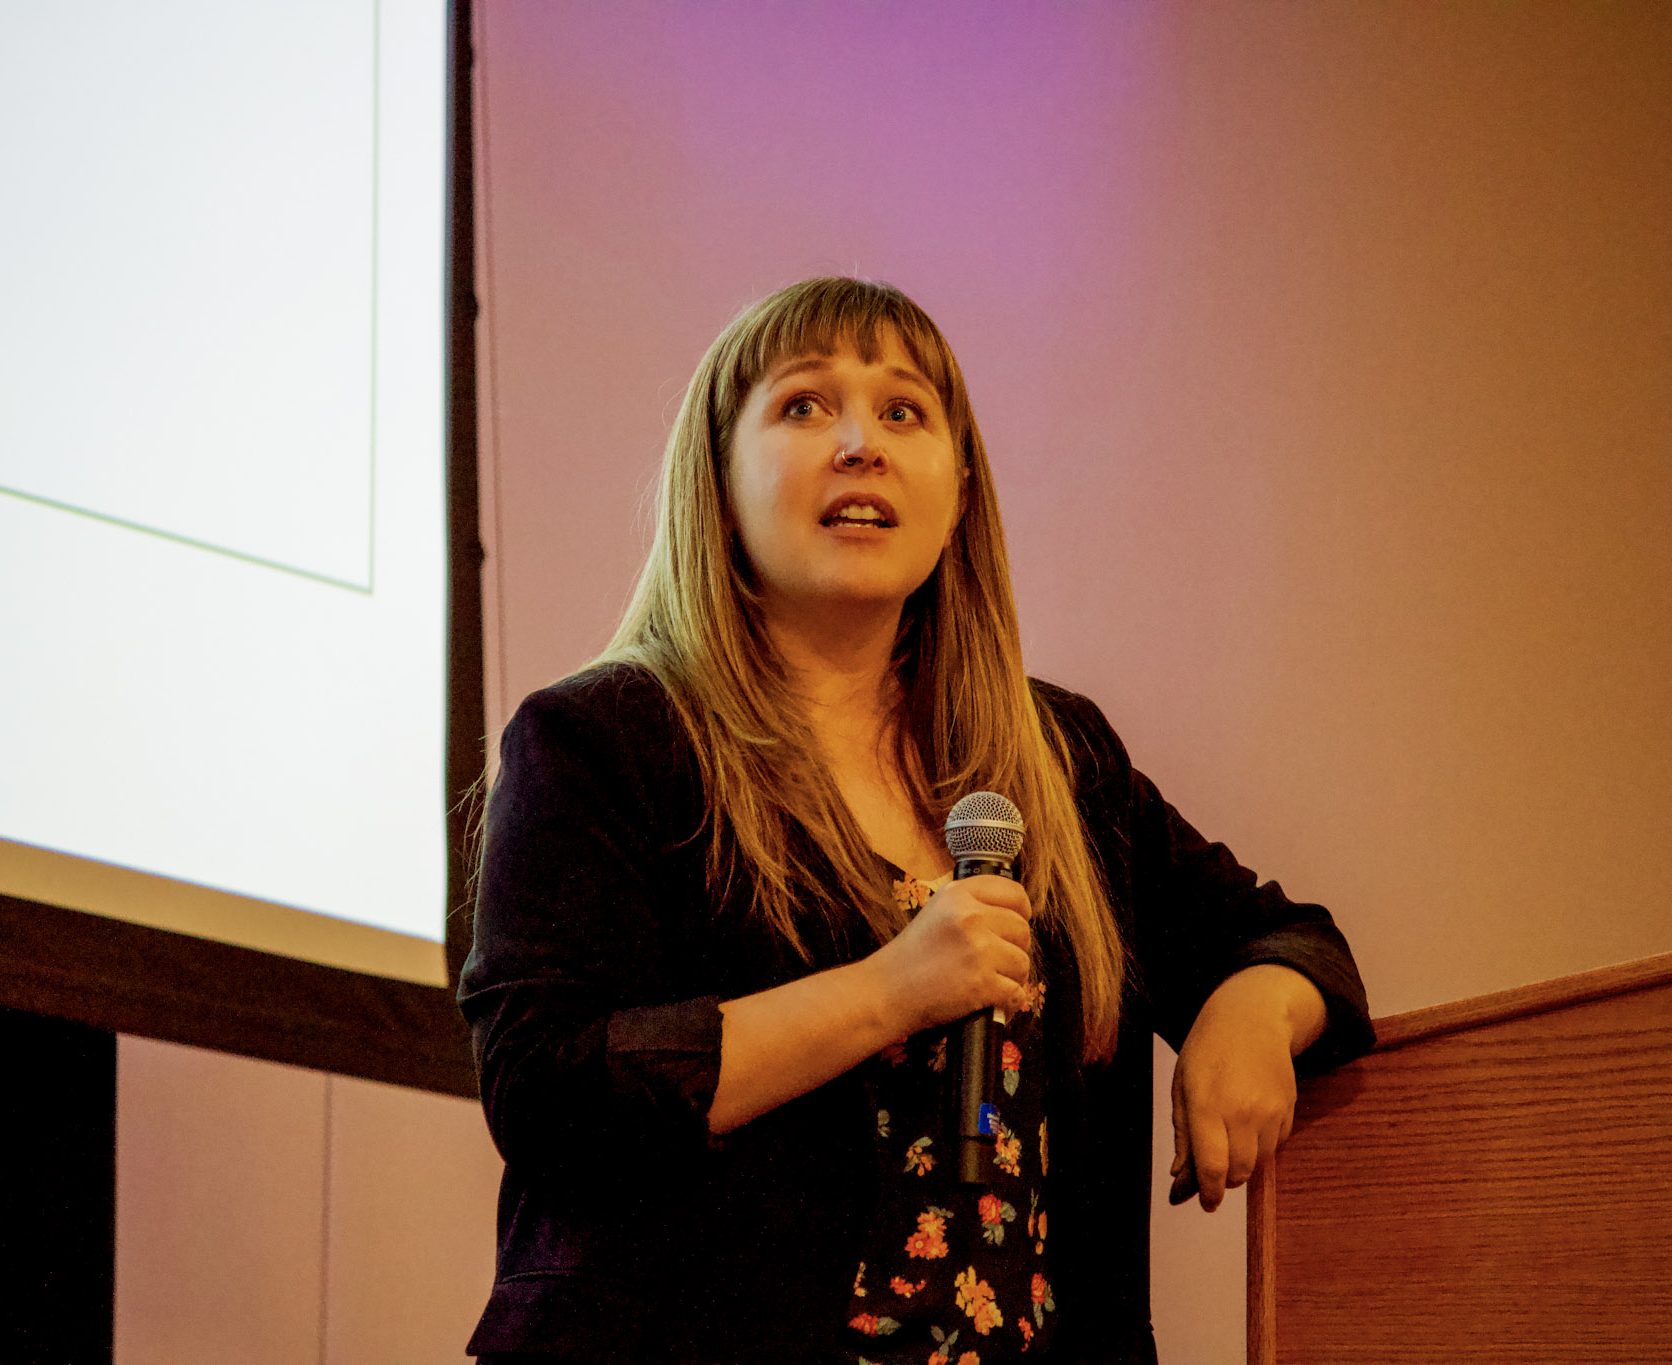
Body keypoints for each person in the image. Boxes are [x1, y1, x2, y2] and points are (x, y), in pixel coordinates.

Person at [459, 277, 1374, 1365]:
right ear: (718, 478)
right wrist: (891, 990)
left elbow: (1289, 940)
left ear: (957, 490)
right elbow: (548, 1090)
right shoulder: (604, 741)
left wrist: (1250, 1014)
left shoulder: (1057, 762)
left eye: (903, 411)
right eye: (802, 406)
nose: (860, 444)